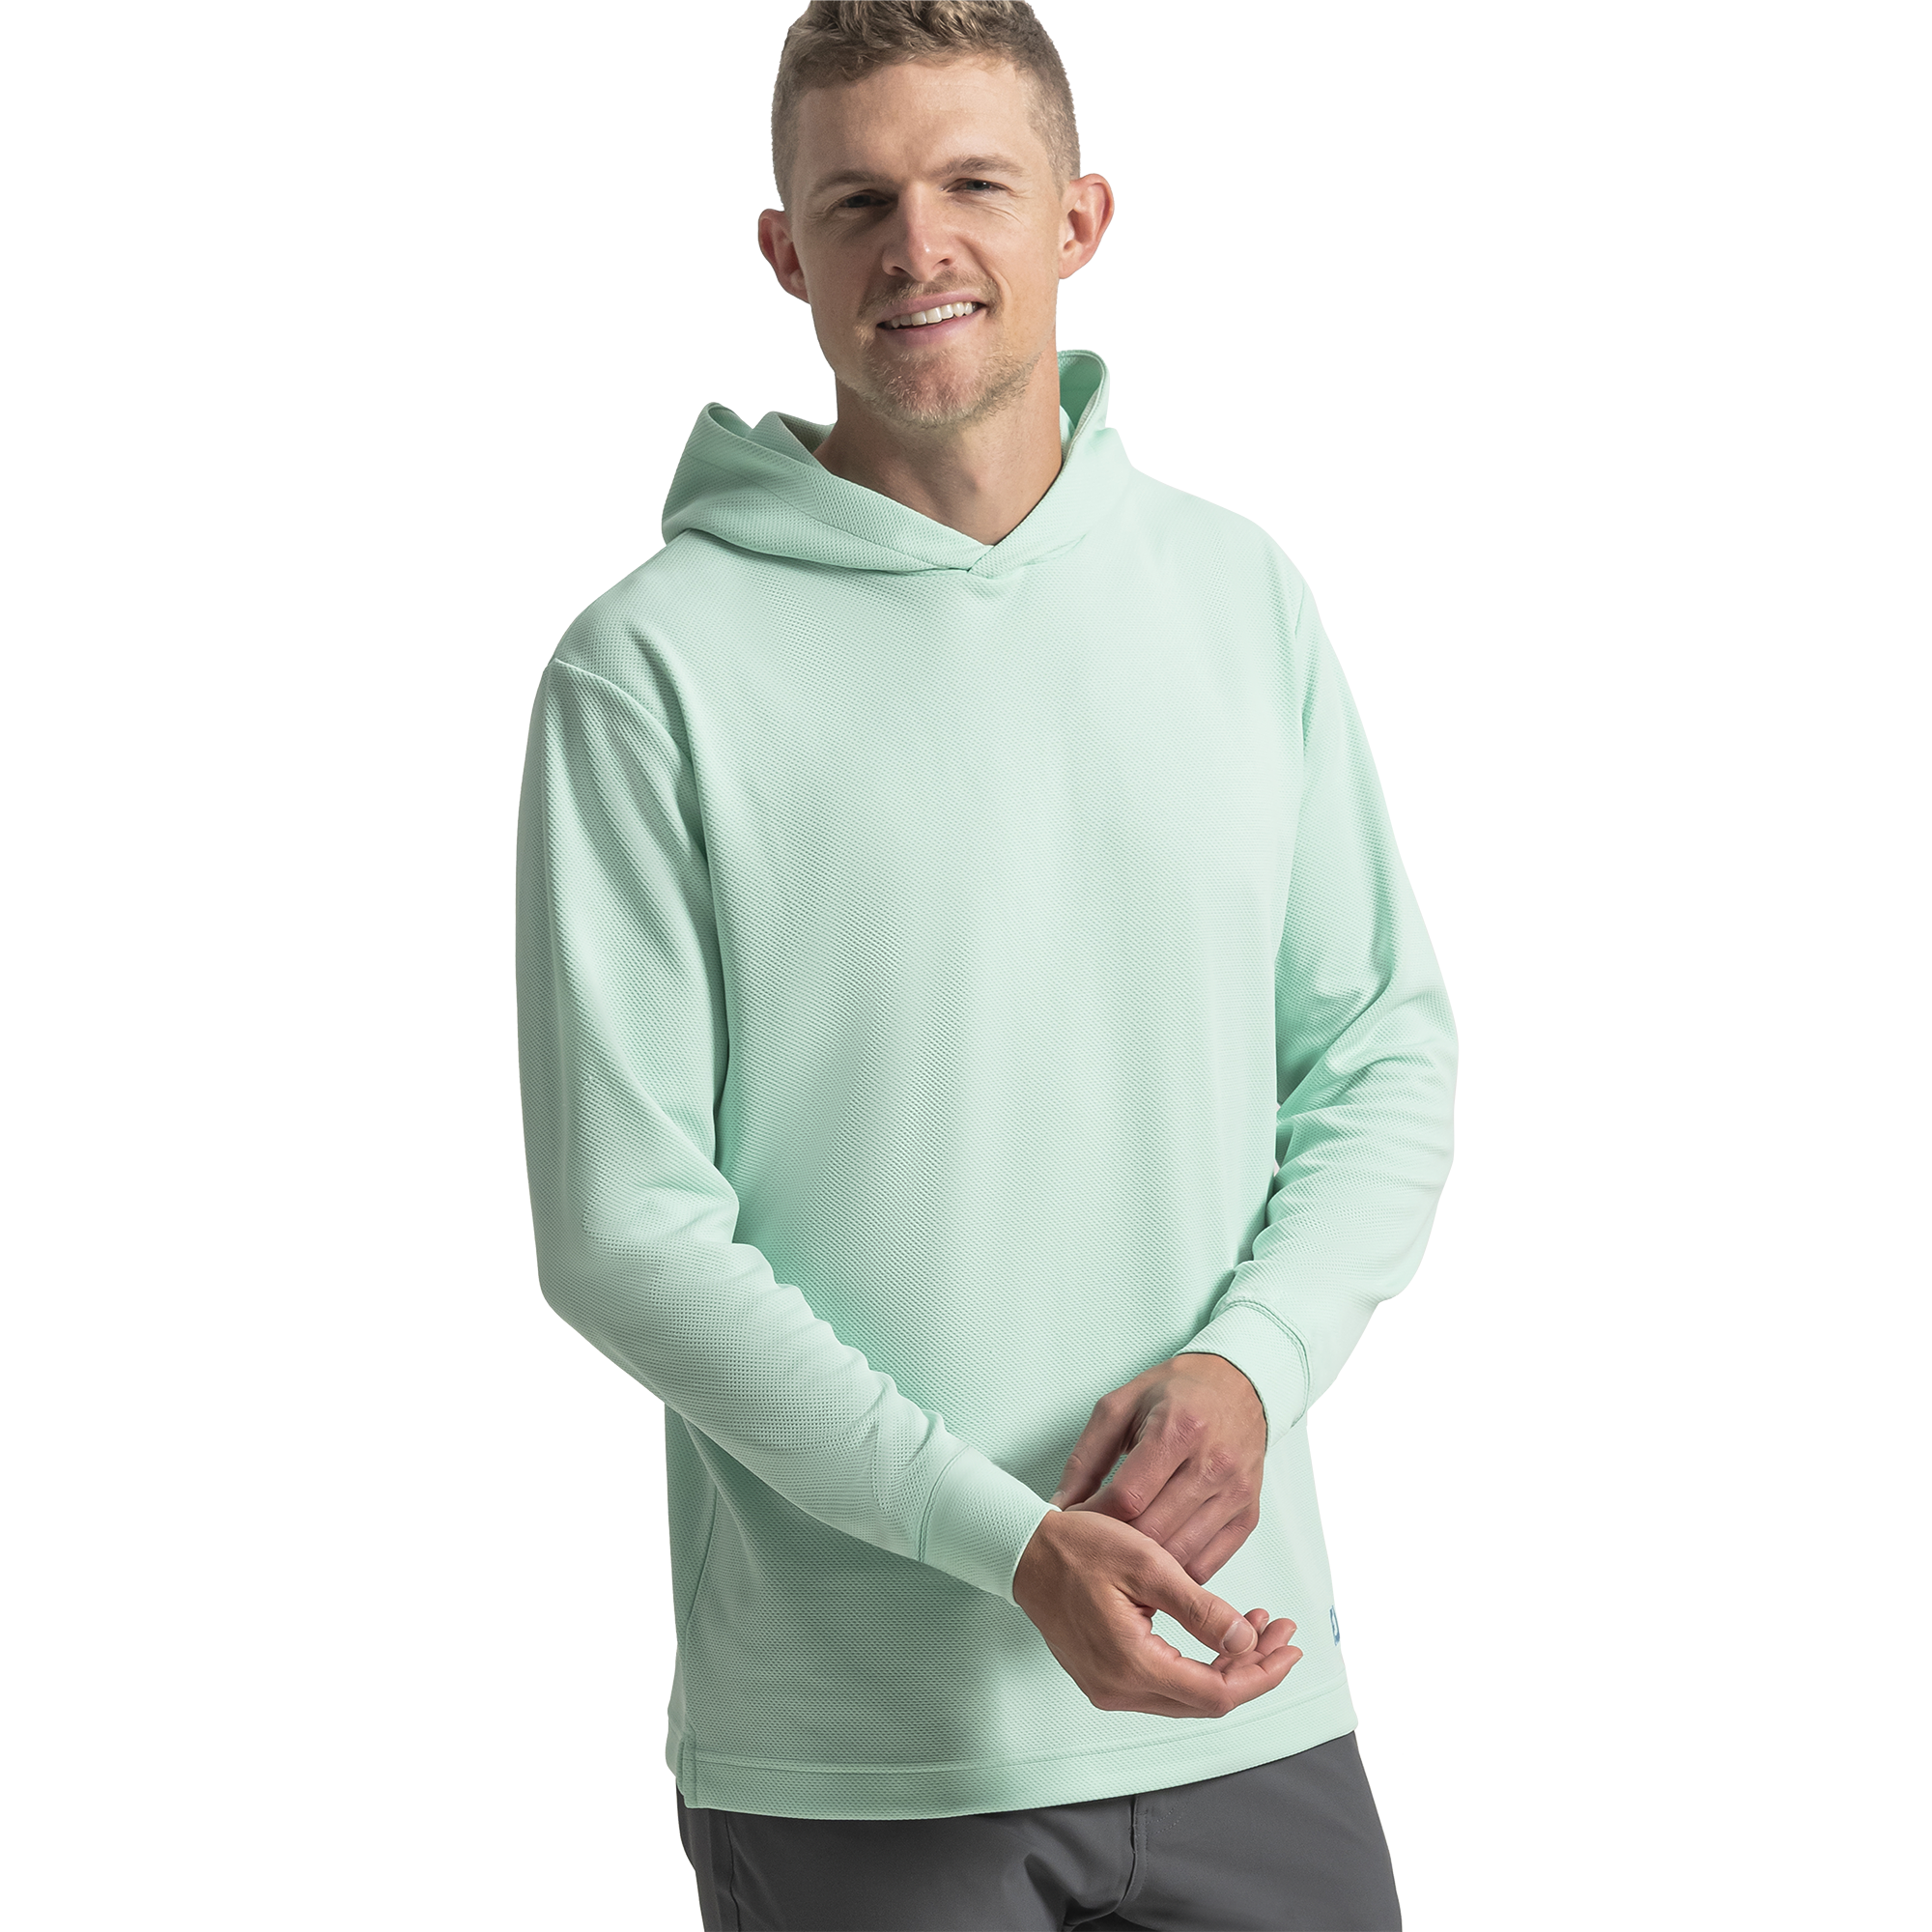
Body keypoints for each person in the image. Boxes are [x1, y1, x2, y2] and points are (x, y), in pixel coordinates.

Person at [515, 2, 1457, 1924]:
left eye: (973, 185)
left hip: (1245, 1685)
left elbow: (1380, 1053)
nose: (916, 244)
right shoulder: (650, 673)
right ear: (785, 253)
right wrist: (1008, 1543)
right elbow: (624, 1230)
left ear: (1080, 220)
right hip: (867, 1753)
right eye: (856, 201)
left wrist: (1252, 1364)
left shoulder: (1238, 599)